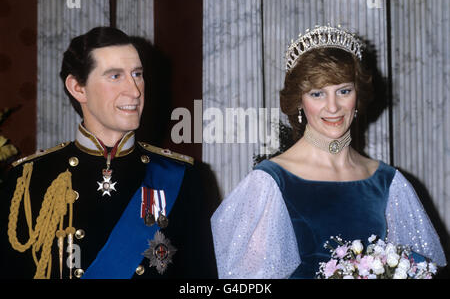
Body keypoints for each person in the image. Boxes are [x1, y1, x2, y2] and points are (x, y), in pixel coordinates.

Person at [210, 25, 447, 279]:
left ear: (358, 96)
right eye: (317, 94)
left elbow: (419, 269)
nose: (333, 107)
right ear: (300, 101)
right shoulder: (270, 183)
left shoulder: (388, 183)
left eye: (344, 91)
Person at [0, 27, 217, 279]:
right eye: (115, 76)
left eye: (137, 74)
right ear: (78, 88)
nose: (135, 90)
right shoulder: (28, 181)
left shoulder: (185, 178)